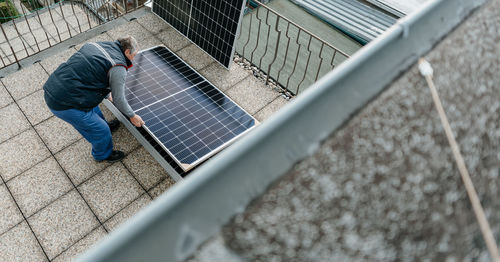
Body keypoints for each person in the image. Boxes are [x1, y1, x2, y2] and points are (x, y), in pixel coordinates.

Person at [43, 36, 145, 163]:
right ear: (127, 52)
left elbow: (91, 73)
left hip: (57, 85)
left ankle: (101, 125)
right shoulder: (118, 67)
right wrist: (132, 116)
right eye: (133, 55)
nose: (134, 59)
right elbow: (119, 99)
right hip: (62, 103)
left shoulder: (98, 45)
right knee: (101, 130)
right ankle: (102, 155)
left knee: (94, 109)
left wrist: (107, 95)